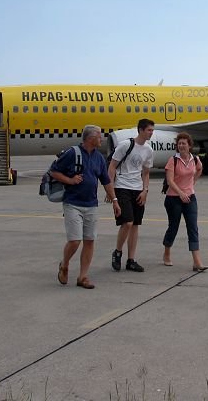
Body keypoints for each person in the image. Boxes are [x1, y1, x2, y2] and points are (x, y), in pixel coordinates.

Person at [50, 125, 116, 289]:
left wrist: (114, 199)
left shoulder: (99, 158)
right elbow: (54, 171)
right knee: (75, 240)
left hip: (91, 205)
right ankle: (64, 264)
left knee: (89, 240)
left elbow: (106, 180)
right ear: (90, 138)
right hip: (73, 203)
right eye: (99, 136)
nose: (102, 139)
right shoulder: (72, 153)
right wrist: (70, 180)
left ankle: (83, 276)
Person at [109, 118, 155, 272]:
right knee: (127, 222)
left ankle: (131, 259)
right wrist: (111, 190)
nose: (151, 133)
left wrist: (145, 190)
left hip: (138, 189)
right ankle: (117, 252)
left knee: (135, 225)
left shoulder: (148, 150)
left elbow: (146, 172)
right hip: (122, 187)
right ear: (141, 130)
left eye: (152, 130)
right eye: (149, 130)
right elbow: (112, 166)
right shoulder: (125, 145)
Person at [162, 133, 206, 271]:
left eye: (184, 143)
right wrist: (180, 193)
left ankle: (197, 261)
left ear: (189, 146)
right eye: (179, 143)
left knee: (193, 227)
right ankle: (167, 252)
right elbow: (170, 181)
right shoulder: (173, 160)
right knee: (173, 227)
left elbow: (199, 169)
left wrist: (192, 183)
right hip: (173, 198)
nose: (181, 146)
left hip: (190, 197)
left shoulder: (195, 159)